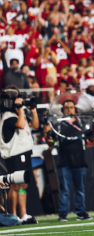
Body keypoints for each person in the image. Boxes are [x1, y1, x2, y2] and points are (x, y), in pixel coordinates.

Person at [44, 99, 94, 222]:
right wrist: (46, 132)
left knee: (80, 189)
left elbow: (92, 138)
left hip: (80, 160)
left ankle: (81, 213)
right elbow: (50, 142)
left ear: (75, 109)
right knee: (64, 190)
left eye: (71, 107)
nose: (69, 110)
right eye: (67, 108)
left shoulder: (82, 123)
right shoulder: (57, 124)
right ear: (63, 110)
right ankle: (63, 214)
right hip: (64, 161)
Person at [0, 85, 38, 224]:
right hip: (15, 154)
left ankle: (23, 215)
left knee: (23, 185)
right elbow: (21, 125)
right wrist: (21, 108)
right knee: (15, 185)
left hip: (24, 152)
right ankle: (13, 215)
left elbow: (35, 124)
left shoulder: (18, 114)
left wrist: (33, 111)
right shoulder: (7, 116)